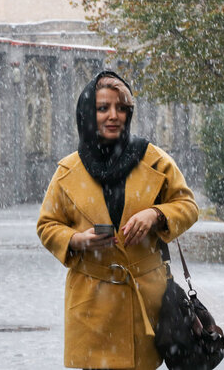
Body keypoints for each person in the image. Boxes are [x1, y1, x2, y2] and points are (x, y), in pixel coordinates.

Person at [37, 71, 199, 369]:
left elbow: (187, 205)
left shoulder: (155, 160)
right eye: (103, 108)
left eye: (121, 108)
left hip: (144, 304)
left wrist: (156, 214)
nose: (114, 116)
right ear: (88, 113)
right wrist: (76, 239)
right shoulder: (68, 170)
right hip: (91, 305)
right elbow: (47, 225)